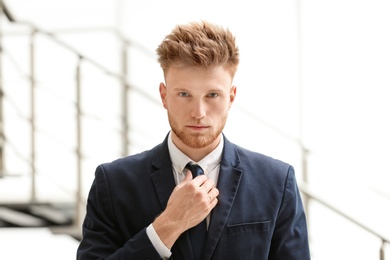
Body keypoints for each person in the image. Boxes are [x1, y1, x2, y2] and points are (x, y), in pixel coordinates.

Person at [77, 20, 311, 260]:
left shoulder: (276, 182)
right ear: (164, 95)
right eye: (184, 94)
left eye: (212, 95)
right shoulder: (114, 183)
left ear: (231, 97)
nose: (198, 112)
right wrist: (167, 226)